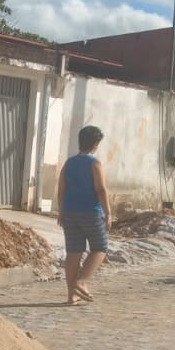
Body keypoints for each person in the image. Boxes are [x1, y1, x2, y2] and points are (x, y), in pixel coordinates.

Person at [56, 125, 111, 305]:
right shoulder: (94, 164)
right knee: (100, 247)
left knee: (73, 251)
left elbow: (61, 189)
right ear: (95, 144)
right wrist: (109, 213)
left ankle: (72, 295)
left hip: (70, 212)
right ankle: (82, 282)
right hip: (91, 212)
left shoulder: (69, 163)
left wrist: (61, 211)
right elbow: (101, 190)